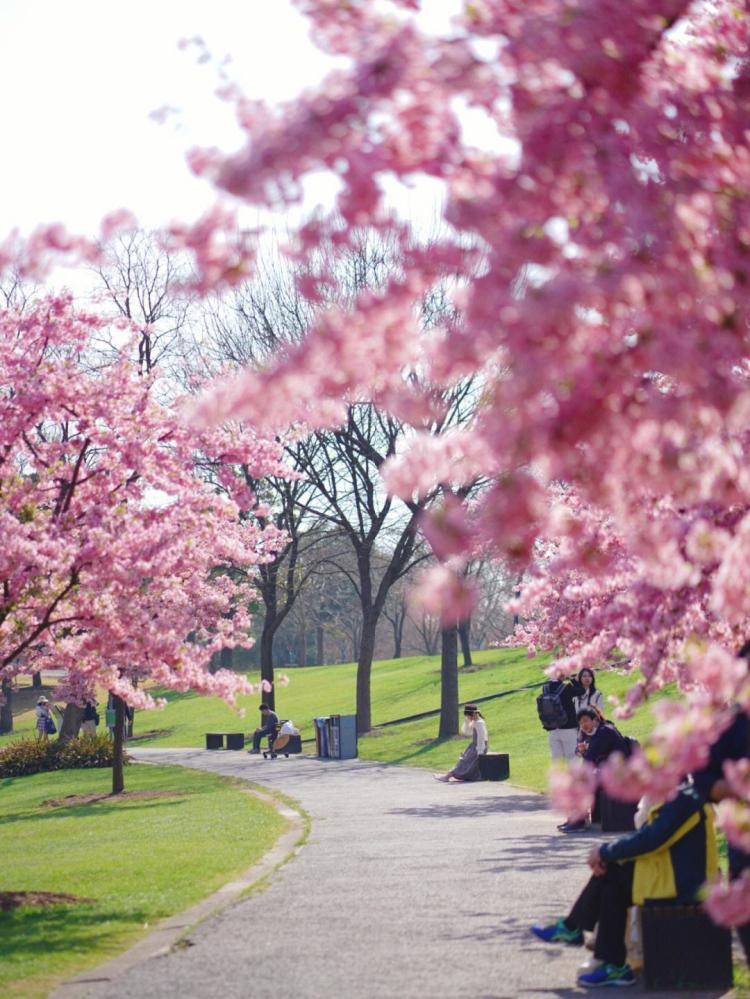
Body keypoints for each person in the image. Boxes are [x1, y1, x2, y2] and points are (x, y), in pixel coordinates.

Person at [530, 783, 718, 989]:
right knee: (613, 875)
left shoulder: (685, 800)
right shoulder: (680, 796)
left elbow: (650, 840)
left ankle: (578, 931)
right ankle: (605, 958)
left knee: (613, 873)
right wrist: (607, 853)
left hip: (685, 888)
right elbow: (646, 836)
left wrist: (605, 852)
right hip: (673, 878)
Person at [433, 705, 488, 782]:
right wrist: (467, 721)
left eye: (468, 716)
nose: (468, 718)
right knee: (464, 761)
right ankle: (447, 776)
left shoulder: (479, 723)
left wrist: (480, 751)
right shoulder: (475, 722)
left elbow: (481, 738)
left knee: (464, 762)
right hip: (474, 746)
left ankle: (447, 776)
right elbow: (466, 732)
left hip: (479, 746)